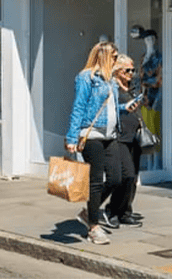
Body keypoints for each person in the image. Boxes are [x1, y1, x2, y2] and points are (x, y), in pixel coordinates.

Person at [65, 40, 121, 245]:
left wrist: (124, 108)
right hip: (92, 136)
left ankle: (90, 212)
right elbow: (79, 107)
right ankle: (94, 228)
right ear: (104, 56)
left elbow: (111, 109)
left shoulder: (111, 80)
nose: (116, 59)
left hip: (110, 135)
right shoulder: (86, 78)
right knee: (96, 181)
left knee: (116, 178)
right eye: (114, 56)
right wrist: (72, 138)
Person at [104, 55, 144, 228]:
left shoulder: (133, 87)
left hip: (134, 136)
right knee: (124, 176)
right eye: (128, 70)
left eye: (133, 70)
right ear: (117, 70)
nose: (131, 73)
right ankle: (111, 210)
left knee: (132, 177)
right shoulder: (112, 88)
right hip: (119, 137)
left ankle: (125, 211)